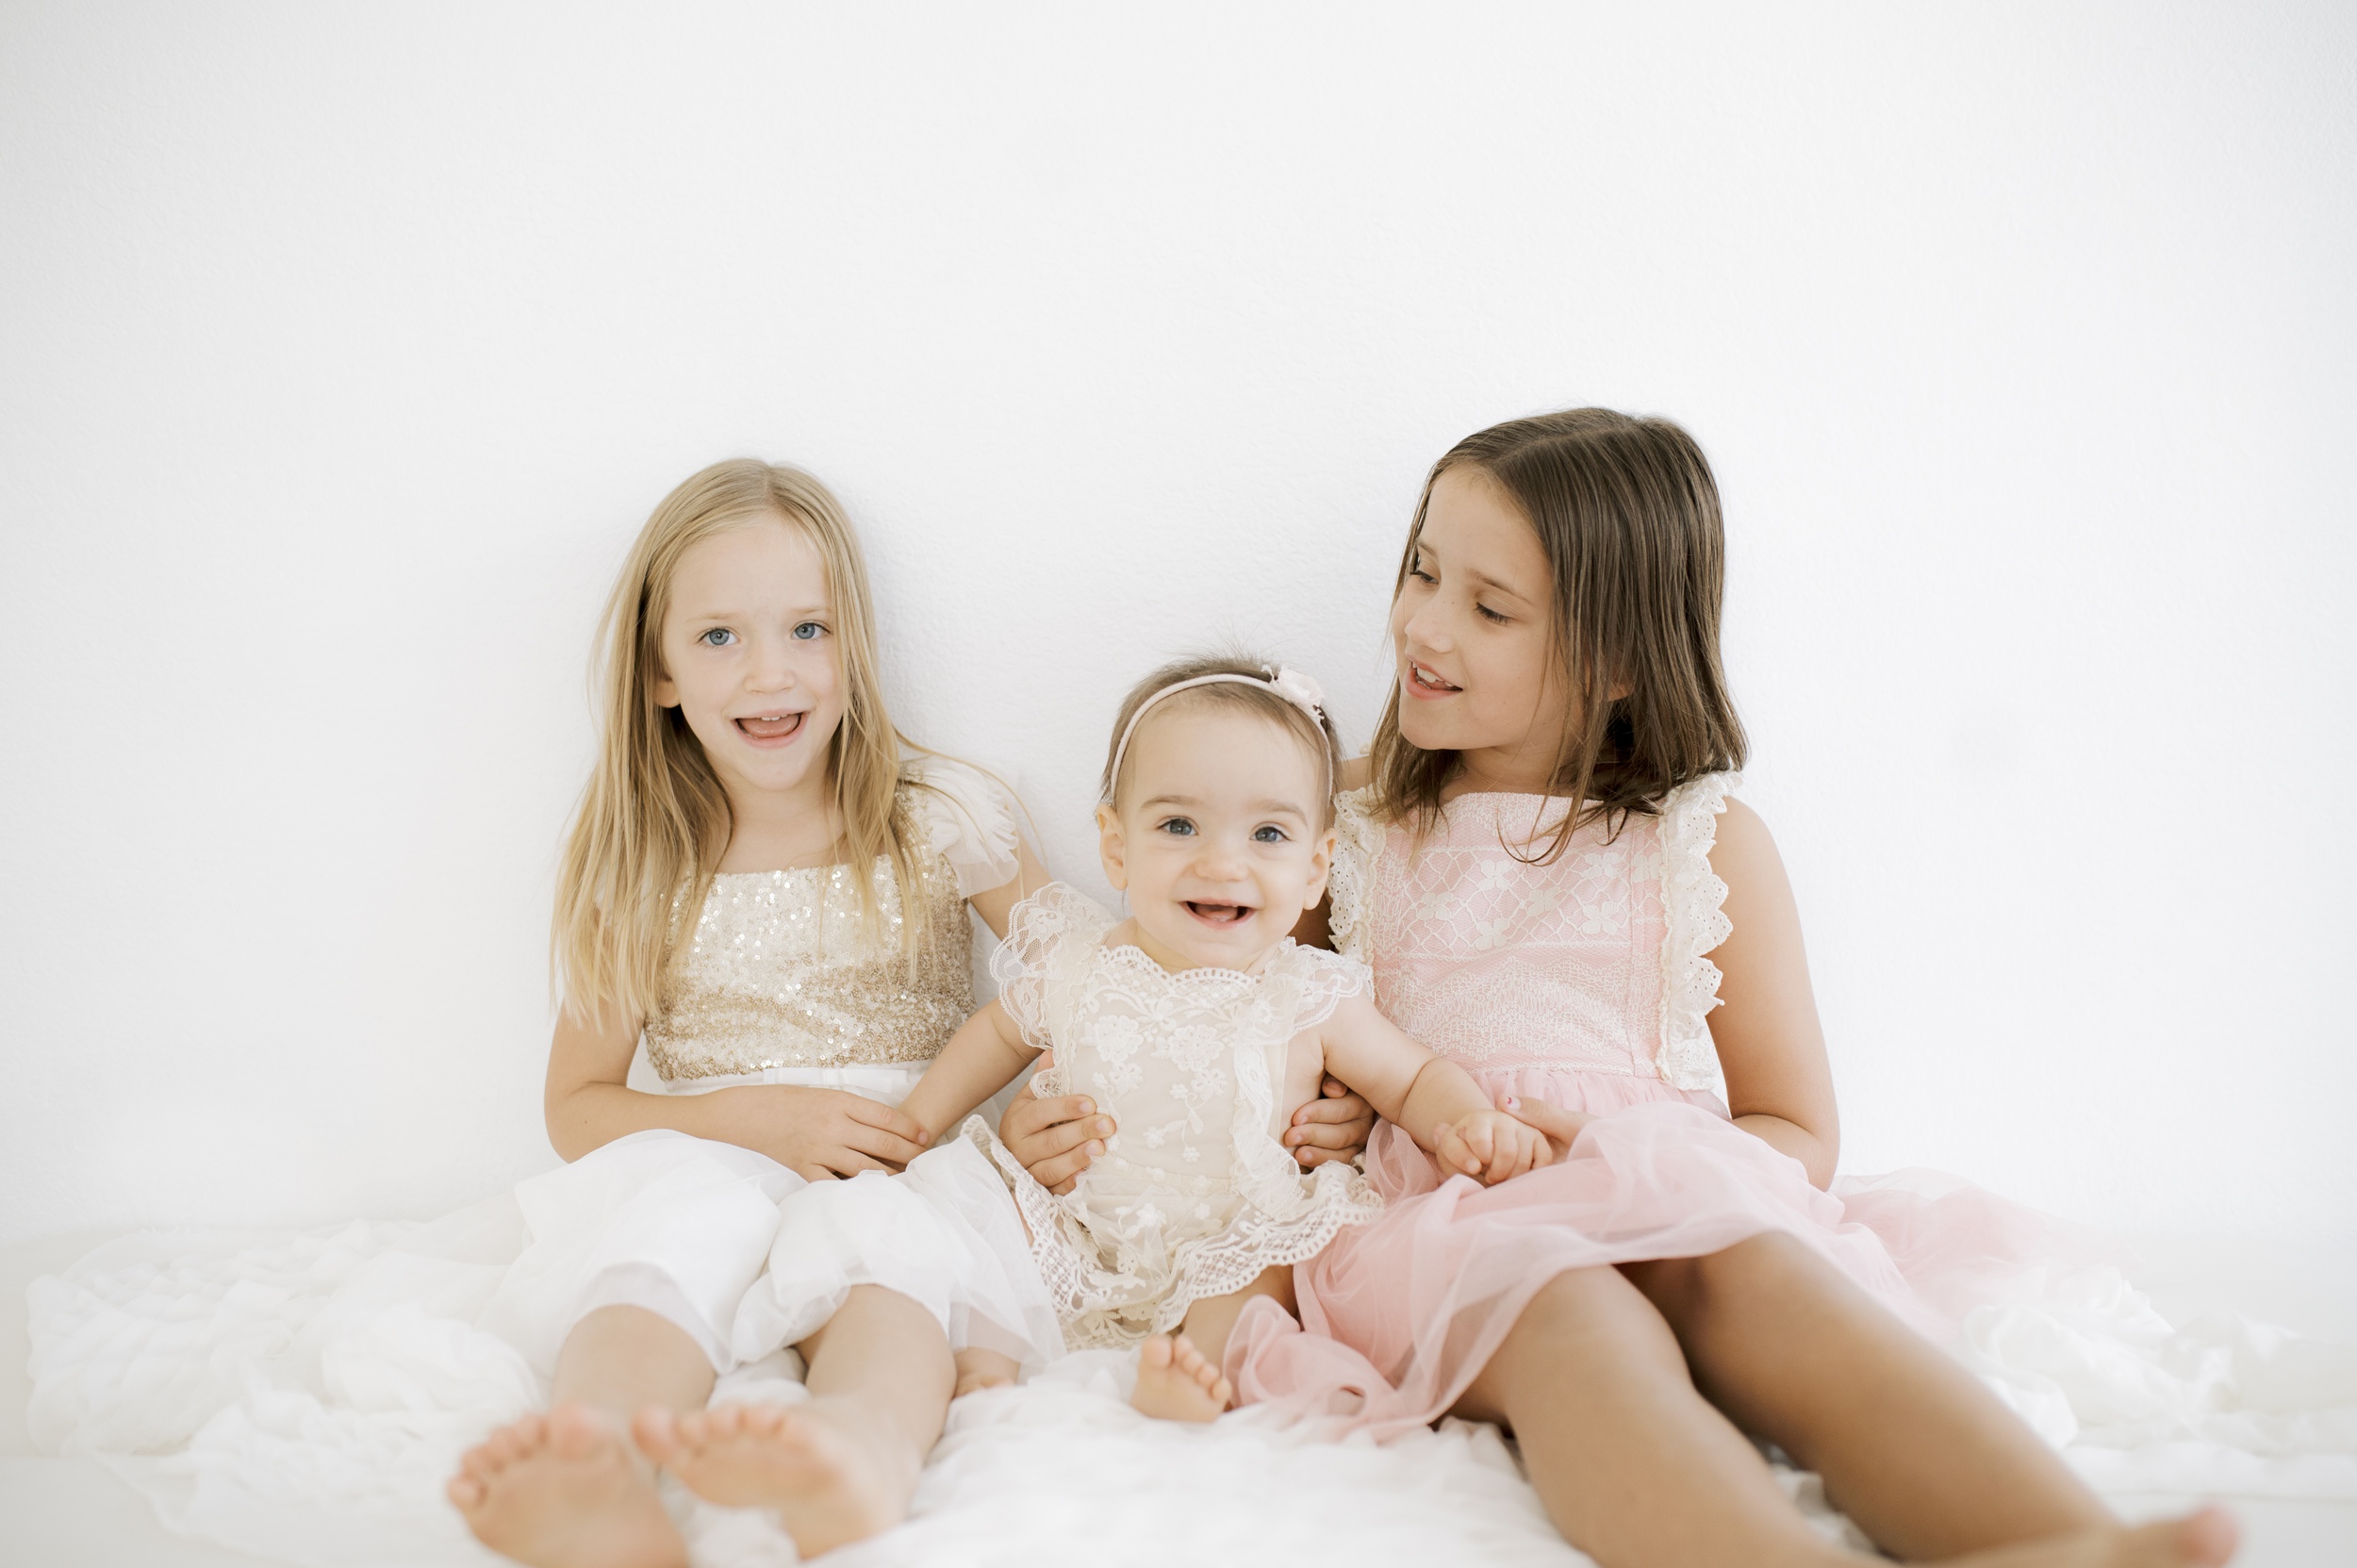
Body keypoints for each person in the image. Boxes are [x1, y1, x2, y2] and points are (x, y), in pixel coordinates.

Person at [999, 411, 2239, 1568]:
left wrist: (1630, 1154)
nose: (1425, 626)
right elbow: (1234, 1007)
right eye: (1423, 571)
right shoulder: (1338, 824)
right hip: (1446, 1217)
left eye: (1489, 607)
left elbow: (1797, 1128)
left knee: (1760, 1271)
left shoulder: (1702, 843)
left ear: (1620, 665)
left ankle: (2066, 1538)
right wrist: (1334, 1111)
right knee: (1565, 1306)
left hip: (1665, 1181)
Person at [880, 655, 1549, 1423]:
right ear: (1116, 845)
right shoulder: (1077, 963)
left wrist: (1466, 1120)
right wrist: (914, 1127)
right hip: (1083, 1227)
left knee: (1260, 1273)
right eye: (1178, 824)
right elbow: (992, 1035)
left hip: (1235, 1231)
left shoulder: (1308, 992)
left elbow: (1412, 1078)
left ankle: (1202, 1369)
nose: (1222, 861)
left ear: (1315, 867)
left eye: (1268, 832)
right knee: (994, 1233)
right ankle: (982, 1372)